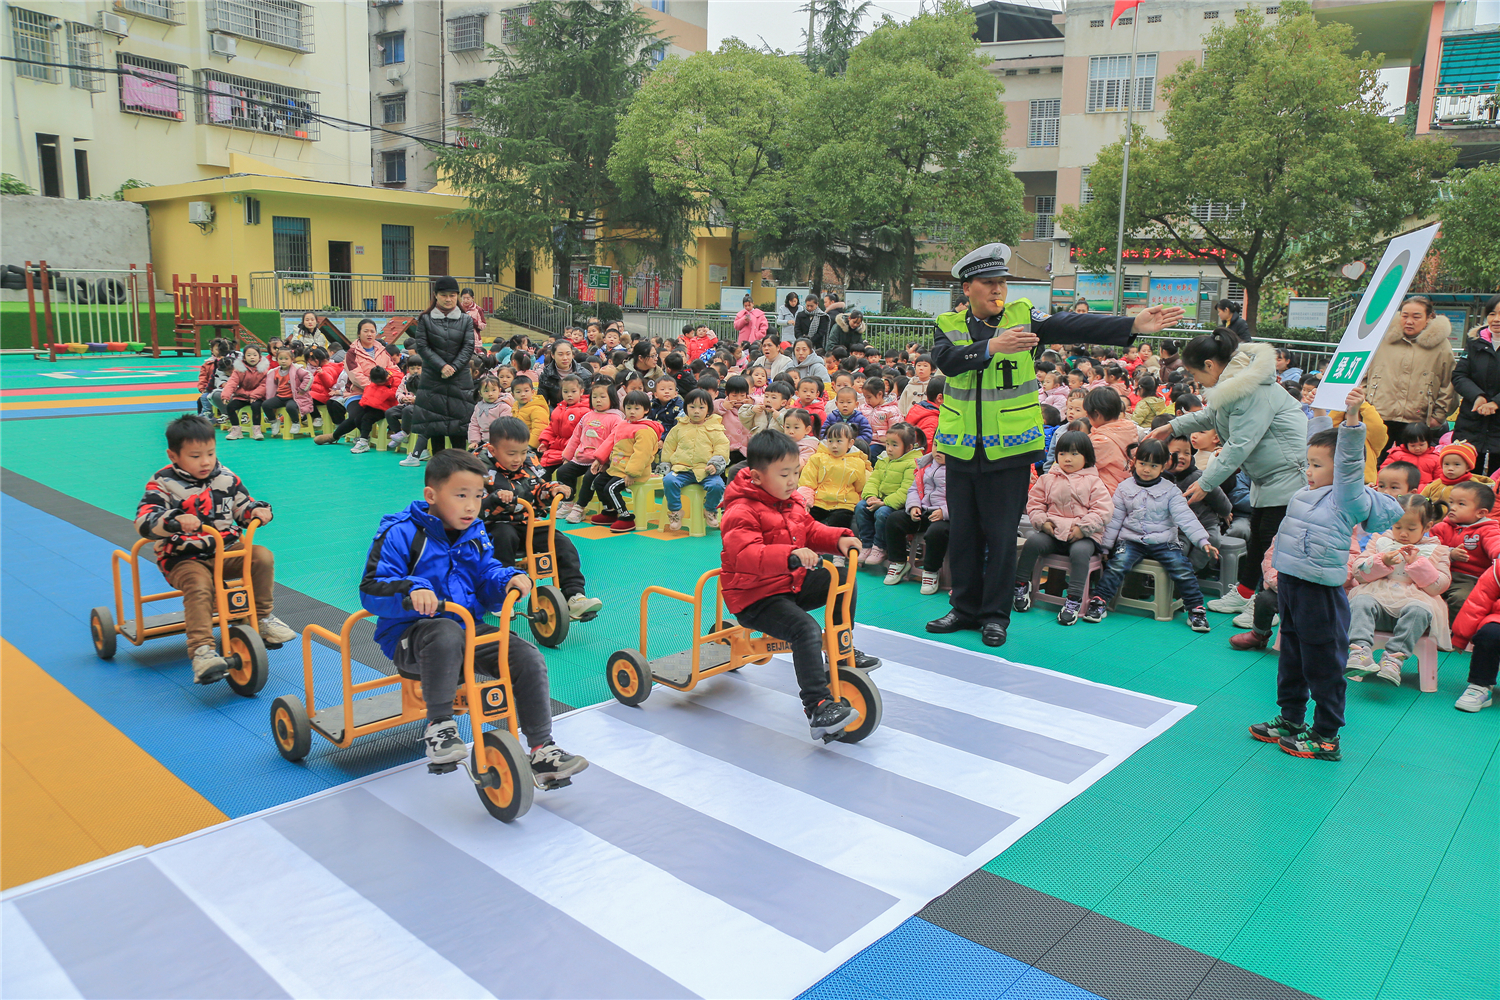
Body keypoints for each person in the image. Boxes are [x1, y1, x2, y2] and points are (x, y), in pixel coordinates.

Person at [926, 242, 1181, 647]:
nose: (998, 291)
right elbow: (949, 362)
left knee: (1000, 534)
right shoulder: (947, 324)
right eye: (989, 284)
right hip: (960, 450)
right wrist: (993, 347)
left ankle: (995, 616)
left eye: (1002, 284)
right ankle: (964, 608)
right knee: (963, 534)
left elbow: (1070, 325)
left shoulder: (1022, 315)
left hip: (1007, 452)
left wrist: (1130, 324)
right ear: (968, 287)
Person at [359, 449, 588, 782]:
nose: (471, 505)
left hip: (467, 627)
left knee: (525, 655)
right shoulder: (401, 533)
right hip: (411, 638)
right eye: (460, 495)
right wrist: (412, 591)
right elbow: (371, 587)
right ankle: (439, 727)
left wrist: (505, 578)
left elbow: (485, 573)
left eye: (478, 496)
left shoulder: (475, 532)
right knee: (444, 632)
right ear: (431, 496)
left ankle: (542, 749)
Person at [1248, 391, 1401, 761]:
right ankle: (1291, 719)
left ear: (1343, 471)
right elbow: (1317, 441)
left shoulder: (1346, 497)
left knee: (1322, 662)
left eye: (1316, 465)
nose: (1308, 471)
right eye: (1308, 464)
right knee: (1292, 656)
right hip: (1293, 584)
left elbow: (1347, 460)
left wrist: (1350, 417)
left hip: (1320, 591)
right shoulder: (1309, 489)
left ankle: (1326, 735)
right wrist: (1319, 410)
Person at [719, 429, 877, 742]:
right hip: (755, 597)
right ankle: (817, 707)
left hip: (789, 585)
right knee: (804, 630)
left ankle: (840, 647)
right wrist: (790, 556)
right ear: (757, 476)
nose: (792, 480)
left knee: (841, 578)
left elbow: (812, 530)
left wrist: (839, 539)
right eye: (783, 474)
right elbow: (746, 555)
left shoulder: (789, 502)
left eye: (795, 472)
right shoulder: (740, 510)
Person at [1146, 330, 1307, 618]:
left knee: (1273, 543)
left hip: (1286, 473)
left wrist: (1207, 482)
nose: (1197, 381)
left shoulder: (1252, 389)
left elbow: (1239, 444)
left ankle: (1265, 605)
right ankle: (1246, 594)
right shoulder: (1235, 385)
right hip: (1267, 475)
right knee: (1258, 537)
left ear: (1210, 365)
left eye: (1197, 373)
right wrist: (1173, 427)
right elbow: (1213, 415)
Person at [135, 415, 296, 681]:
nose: (206, 461)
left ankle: (261, 618)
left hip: (225, 550)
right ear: (173, 455)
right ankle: (202, 651)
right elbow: (144, 520)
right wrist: (173, 520)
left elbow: (243, 507)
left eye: (210, 452)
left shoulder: (226, 477)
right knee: (200, 585)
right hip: (183, 557)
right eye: (195, 456)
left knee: (261, 557)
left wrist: (258, 510)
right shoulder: (162, 483)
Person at [1081, 438, 1217, 632]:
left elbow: (1185, 517)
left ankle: (1196, 610)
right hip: (1131, 540)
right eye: (1142, 463)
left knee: (1181, 567)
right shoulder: (1124, 488)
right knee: (1117, 563)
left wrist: (1202, 540)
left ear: (1163, 467)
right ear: (1134, 462)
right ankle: (1099, 601)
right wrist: (1105, 546)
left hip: (1164, 541)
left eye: (1153, 465)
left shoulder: (1171, 490)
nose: (1146, 469)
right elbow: (1115, 519)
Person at [481, 418, 602, 621]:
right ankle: (501, 595)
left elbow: (538, 486)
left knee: (562, 543)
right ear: (493, 450)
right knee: (503, 538)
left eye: (522, 452)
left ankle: (574, 595)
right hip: (494, 524)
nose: (517, 459)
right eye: (511, 454)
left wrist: (553, 489)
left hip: (527, 522)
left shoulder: (528, 461)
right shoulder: (480, 469)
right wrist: (494, 499)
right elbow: (473, 505)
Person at [1344, 495, 1452, 688]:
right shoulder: (1379, 542)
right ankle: (1360, 651)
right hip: (1378, 605)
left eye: (1411, 529)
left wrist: (1418, 565)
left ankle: (1393, 659)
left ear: (1427, 527)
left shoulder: (1438, 550)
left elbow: (1440, 585)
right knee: (1360, 600)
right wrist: (1382, 562)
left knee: (1419, 609)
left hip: (1413, 614)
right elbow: (1358, 573)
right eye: (1397, 526)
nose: (1403, 534)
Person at [1016, 430, 1113, 626]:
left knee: (1080, 552)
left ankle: (1074, 599)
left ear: (1087, 456)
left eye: (1074, 454)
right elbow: (1035, 503)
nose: (1067, 458)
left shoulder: (1094, 481)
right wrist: (1042, 522)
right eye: (1062, 453)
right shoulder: (1048, 479)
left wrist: (1083, 528)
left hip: (1083, 535)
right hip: (1053, 532)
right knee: (1033, 542)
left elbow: (1103, 510)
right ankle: (1020, 585)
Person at [1364, 295, 1455, 455]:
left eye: (1416, 316)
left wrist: (1439, 415)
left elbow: (1449, 382)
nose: (1409, 321)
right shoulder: (1382, 338)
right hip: (1379, 412)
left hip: (1417, 417)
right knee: (1372, 460)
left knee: (1410, 464)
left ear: (1428, 318)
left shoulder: (1440, 345)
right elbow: (1364, 373)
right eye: (1405, 315)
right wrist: (1363, 403)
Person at [1428, 476, 1500, 622]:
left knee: (1462, 599)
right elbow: (1430, 547)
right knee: (1422, 593)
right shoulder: (1442, 527)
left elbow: (1495, 544)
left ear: (1480, 513)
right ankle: (1428, 625)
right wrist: (1449, 553)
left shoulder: (1487, 530)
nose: (1452, 507)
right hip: (1439, 573)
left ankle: (1454, 635)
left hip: (1469, 579)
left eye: (1461, 504)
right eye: (1451, 502)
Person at [589, 390, 662, 532]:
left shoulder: (645, 430)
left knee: (611, 488)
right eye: (629, 408)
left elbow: (641, 454)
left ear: (646, 410)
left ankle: (626, 517)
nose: (632, 412)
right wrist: (600, 460)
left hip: (633, 471)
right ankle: (610, 511)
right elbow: (610, 442)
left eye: (637, 408)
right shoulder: (623, 425)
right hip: (616, 468)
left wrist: (632, 473)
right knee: (598, 482)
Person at [658, 388, 730, 531]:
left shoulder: (715, 428)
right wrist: (666, 464)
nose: (696, 411)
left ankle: (710, 510)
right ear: (686, 408)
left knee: (717, 485)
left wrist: (715, 465)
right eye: (692, 407)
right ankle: (676, 511)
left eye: (701, 407)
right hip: (682, 469)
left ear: (708, 409)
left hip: (706, 471)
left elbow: (722, 447)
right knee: (669, 481)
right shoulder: (679, 427)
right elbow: (669, 447)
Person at [557, 382, 623, 523]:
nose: (598, 400)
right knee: (563, 471)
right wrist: (567, 457)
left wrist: (605, 461)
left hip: (600, 461)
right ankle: (568, 502)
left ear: (612, 398)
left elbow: (615, 443)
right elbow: (575, 437)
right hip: (581, 458)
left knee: (589, 478)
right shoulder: (587, 416)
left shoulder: (616, 418)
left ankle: (580, 508)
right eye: (595, 397)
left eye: (602, 397)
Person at [853, 424, 919, 568]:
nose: (889, 448)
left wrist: (884, 503)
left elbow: (906, 491)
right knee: (861, 506)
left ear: (908, 448)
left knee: (883, 513)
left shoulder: (912, 464)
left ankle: (880, 547)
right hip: (881, 499)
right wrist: (871, 496)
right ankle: (867, 544)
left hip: (898, 506)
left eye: (894, 445)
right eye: (887, 444)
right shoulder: (883, 460)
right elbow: (873, 480)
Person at [1450, 293, 1500, 476]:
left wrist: (1495, 403)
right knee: (1467, 477)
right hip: (1472, 421)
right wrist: (1478, 397)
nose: (1496, 319)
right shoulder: (1474, 343)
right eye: (1492, 314)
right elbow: (1459, 375)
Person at [1447, 560, 1500, 712]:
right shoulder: (1497, 570)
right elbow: (1478, 603)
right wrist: (1461, 636)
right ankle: (1480, 686)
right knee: (1489, 634)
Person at [799, 422, 869, 528]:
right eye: (830, 441)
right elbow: (807, 482)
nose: (834, 445)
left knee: (838, 525)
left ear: (850, 443)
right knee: (806, 523)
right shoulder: (817, 458)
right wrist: (806, 502)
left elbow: (860, 487)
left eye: (839, 441)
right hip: (819, 501)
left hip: (844, 504)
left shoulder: (858, 463)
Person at [538, 374, 591, 485]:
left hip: (572, 451)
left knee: (564, 473)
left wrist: (569, 448)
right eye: (565, 392)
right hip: (555, 449)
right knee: (542, 473)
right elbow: (551, 428)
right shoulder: (559, 408)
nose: (569, 395)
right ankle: (544, 496)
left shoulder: (586, 412)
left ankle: (568, 497)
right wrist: (545, 442)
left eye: (573, 391)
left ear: (581, 392)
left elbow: (582, 437)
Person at [1084, 386, 1139, 492]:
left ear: (1097, 414)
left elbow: (1081, 464)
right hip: (1126, 485)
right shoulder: (1127, 429)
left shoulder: (1102, 442)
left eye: (1088, 413)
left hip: (1106, 491)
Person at [1421, 441, 1496, 507]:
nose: (1450, 468)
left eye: (1456, 464)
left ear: (1468, 467)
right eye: (1446, 464)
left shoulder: (1474, 486)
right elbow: (1421, 500)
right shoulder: (1435, 484)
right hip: (1435, 521)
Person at [261, 346, 312, 437]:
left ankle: (296, 423)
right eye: (280, 359)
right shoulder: (275, 371)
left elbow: (309, 377)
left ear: (292, 359)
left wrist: (302, 389)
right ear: (277, 360)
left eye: (286, 359)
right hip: (280, 397)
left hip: (293, 397)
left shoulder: (297, 369)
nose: (283, 361)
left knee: (290, 407)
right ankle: (274, 421)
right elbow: (272, 385)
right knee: (266, 405)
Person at [222, 345, 269, 440]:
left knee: (255, 406)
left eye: (255, 355)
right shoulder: (239, 369)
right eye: (249, 355)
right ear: (244, 357)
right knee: (230, 406)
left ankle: (257, 430)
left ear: (259, 357)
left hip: (258, 396)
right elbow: (232, 382)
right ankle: (236, 430)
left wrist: (255, 395)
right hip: (242, 396)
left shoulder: (264, 370)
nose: (252, 357)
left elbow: (264, 385)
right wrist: (226, 395)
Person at [467, 373, 513, 451]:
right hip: (483, 442)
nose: (490, 394)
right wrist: (474, 441)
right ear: (480, 393)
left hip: (500, 442)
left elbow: (505, 427)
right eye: (486, 391)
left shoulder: (503, 407)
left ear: (499, 390)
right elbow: (474, 425)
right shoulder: (478, 407)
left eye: (494, 390)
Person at [824, 386, 873, 450]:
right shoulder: (832, 417)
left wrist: (852, 442)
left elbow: (867, 435)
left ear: (856, 404)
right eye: (841, 402)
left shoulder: (861, 419)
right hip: (834, 447)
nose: (845, 405)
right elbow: (824, 432)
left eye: (849, 402)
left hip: (854, 448)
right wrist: (830, 441)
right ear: (836, 404)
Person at [510, 374, 551, 448]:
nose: (523, 394)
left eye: (526, 391)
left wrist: (529, 446)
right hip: (519, 442)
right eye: (518, 392)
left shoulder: (537, 409)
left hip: (534, 446)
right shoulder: (516, 406)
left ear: (532, 392)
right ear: (513, 395)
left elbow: (539, 430)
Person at [906, 377, 942, 452]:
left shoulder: (920, 409)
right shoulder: (933, 420)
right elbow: (927, 447)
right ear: (940, 398)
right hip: (922, 461)